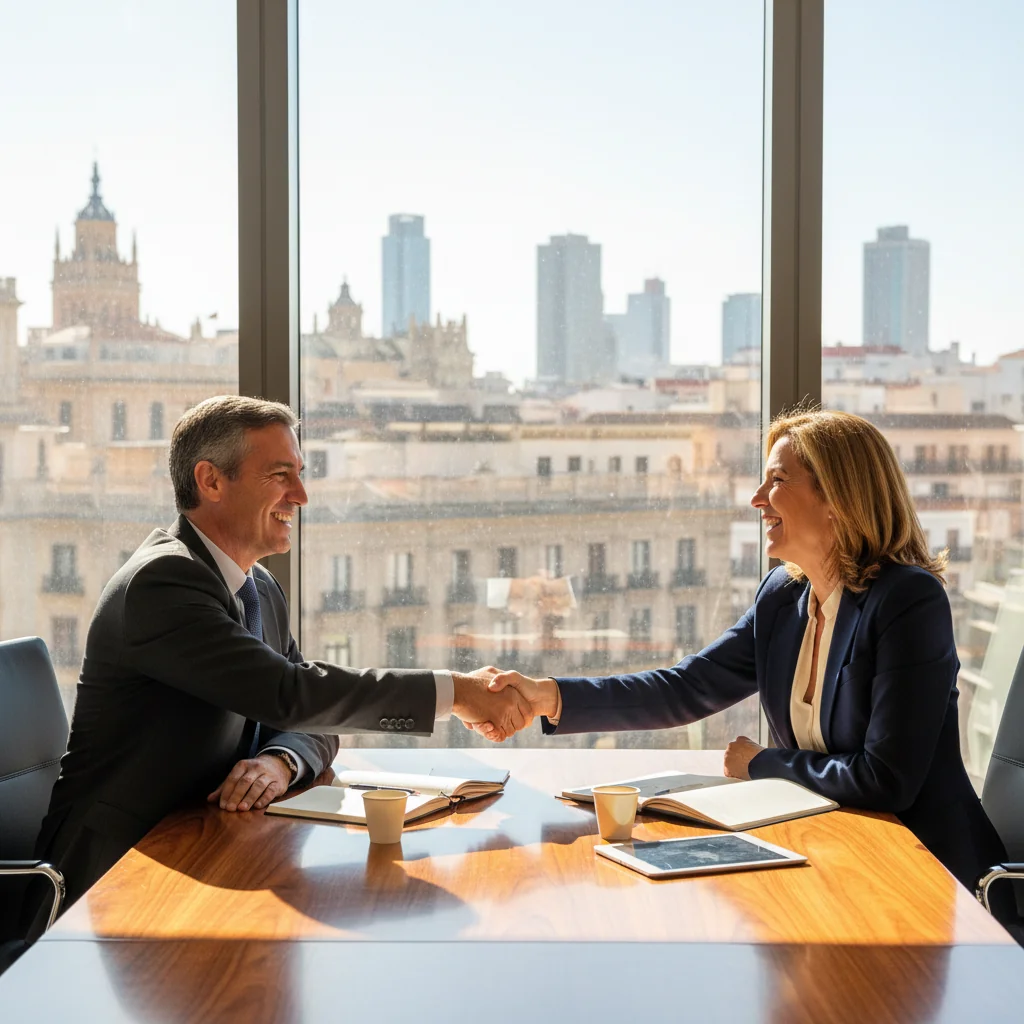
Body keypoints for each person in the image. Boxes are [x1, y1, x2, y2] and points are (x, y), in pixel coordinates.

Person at [477, 409, 1009, 904]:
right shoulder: (782, 597)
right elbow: (684, 688)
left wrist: (761, 764)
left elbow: (885, 779)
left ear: (837, 498)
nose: (757, 498)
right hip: (832, 852)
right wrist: (549, 696)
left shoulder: (907, 601)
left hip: (927, 875)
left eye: (777, 481)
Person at [36, 395, 530, 912]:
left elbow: (312, 718)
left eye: (300, 472)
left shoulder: (259, 588)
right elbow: (291, 694)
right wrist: (457, 692)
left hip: (205, 850)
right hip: (111, 879)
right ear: (211, 481)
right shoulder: (162, 583)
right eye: (279, 475)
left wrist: (280, 760)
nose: (301, 495)